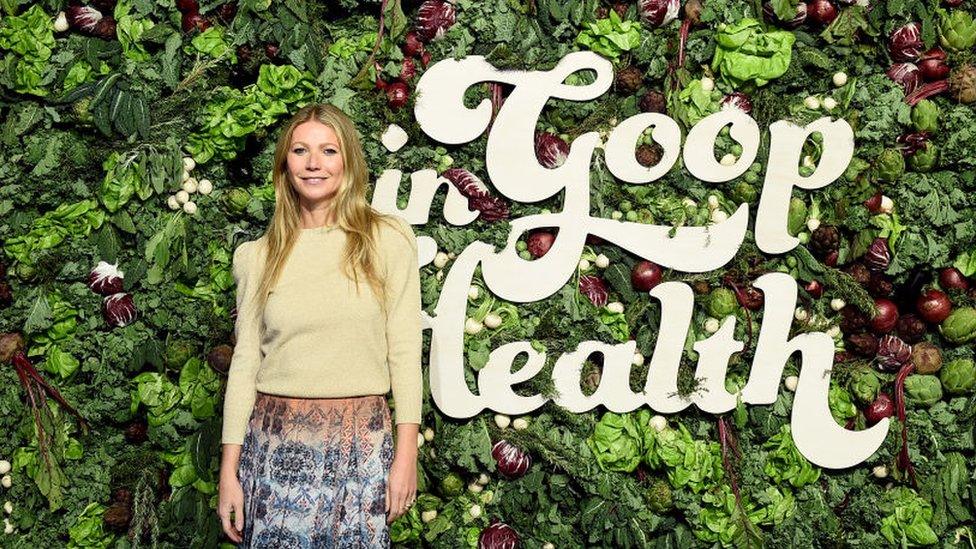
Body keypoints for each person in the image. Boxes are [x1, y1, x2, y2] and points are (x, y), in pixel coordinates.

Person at [216, 102, 423, 547]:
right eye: (300, 151)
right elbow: (246, 361)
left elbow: (405, 351)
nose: (313, 163)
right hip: (272, 448)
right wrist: (228, 472)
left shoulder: (387, 239)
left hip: (361, 447)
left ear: (348, 160)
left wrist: (407, 455)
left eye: (328, 151)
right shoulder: (256, 256)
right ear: (284, 165)